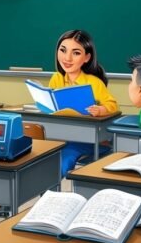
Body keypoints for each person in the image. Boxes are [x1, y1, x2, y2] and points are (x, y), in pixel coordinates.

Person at [49, 29, 119, 176]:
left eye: (76, 53)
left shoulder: (94, 83)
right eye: (63, 50)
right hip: (63, 135)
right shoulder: (56, 78)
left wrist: (100, 110)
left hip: (87, 141)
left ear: (87, 57)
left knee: (64, 157)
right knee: (43, 155)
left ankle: (54, 193)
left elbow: (113, 106)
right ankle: (48, 195)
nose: (67, 58)